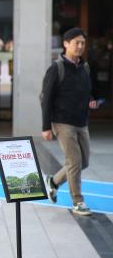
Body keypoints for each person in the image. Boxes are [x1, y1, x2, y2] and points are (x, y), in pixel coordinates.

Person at [41, 27, 98, 216]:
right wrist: (46, 126)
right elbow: (46, 98)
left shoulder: (85, 67)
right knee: (74, 161)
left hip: (81, 121)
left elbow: (85, 89)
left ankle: (53, 182)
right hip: (63, 122)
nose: (80, 46)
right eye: (76, 43)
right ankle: (78, 201)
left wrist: (90, 99)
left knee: (84, 161)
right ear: (66, 44)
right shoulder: (56, 68)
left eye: (82, 43)